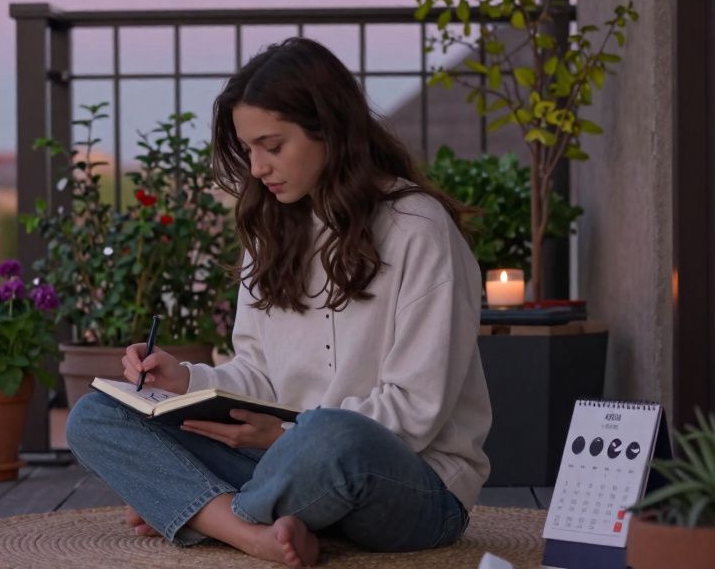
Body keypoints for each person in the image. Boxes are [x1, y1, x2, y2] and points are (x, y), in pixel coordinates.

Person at [64, 37, 493, 568]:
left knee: (331, 434)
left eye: (273, 145)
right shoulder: (270, 233)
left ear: (330, 130)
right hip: (279, 463)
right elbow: (259, 376)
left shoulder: (418, 229)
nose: (259, 167)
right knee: (94, 416)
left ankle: (209, 516)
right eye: (249, 150)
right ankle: (258, 530)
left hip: (405, 483)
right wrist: (185, 383)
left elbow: (416, 411)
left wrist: (284, 437)